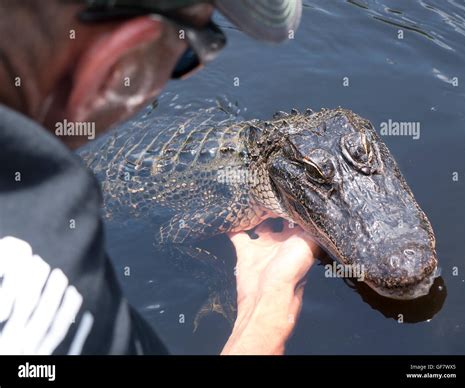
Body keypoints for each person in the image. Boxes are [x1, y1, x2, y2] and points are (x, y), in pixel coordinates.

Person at [0, 0, 318, 355]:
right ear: (117, 63)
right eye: (187, 55)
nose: (191, 72)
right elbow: (171, 236)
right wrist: (265, 314)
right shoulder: (43, 296)